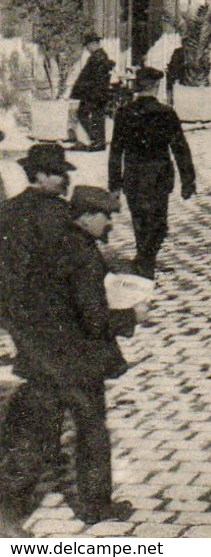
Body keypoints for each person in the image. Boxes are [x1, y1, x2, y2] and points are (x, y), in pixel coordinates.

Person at [0, 151, 135, 529]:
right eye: (59, 174)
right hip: (73, 350)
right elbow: (91, 311)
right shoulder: (64, 227)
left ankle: (9, 509)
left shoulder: (8, 212)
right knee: (87, 427)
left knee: (37, 429)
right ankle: (95, 505)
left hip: (34, 331)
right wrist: (125, 314)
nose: (64, 181)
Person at [106, 66, 196, 278]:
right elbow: (180, 148)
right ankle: (146, 261)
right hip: (159, 176)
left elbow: (116, 151)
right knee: (158, 222)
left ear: (138, 86)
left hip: (134, 175)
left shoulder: (125, 113)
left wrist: (115, 185)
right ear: (156, 86)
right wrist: (188, 181)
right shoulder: (166, 113)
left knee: (140, 220)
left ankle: (144, 258)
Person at [70, 33, 116, 152]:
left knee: (85, 114)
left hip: (94, 93)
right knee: (96, 116)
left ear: (93, 44)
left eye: (88, 45)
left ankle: (97, 141)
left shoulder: (97, 57)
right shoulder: (100, 56)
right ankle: (98, 141)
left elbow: (91, 78)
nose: (87, 48)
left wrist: (81, 90)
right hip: (97, 93)